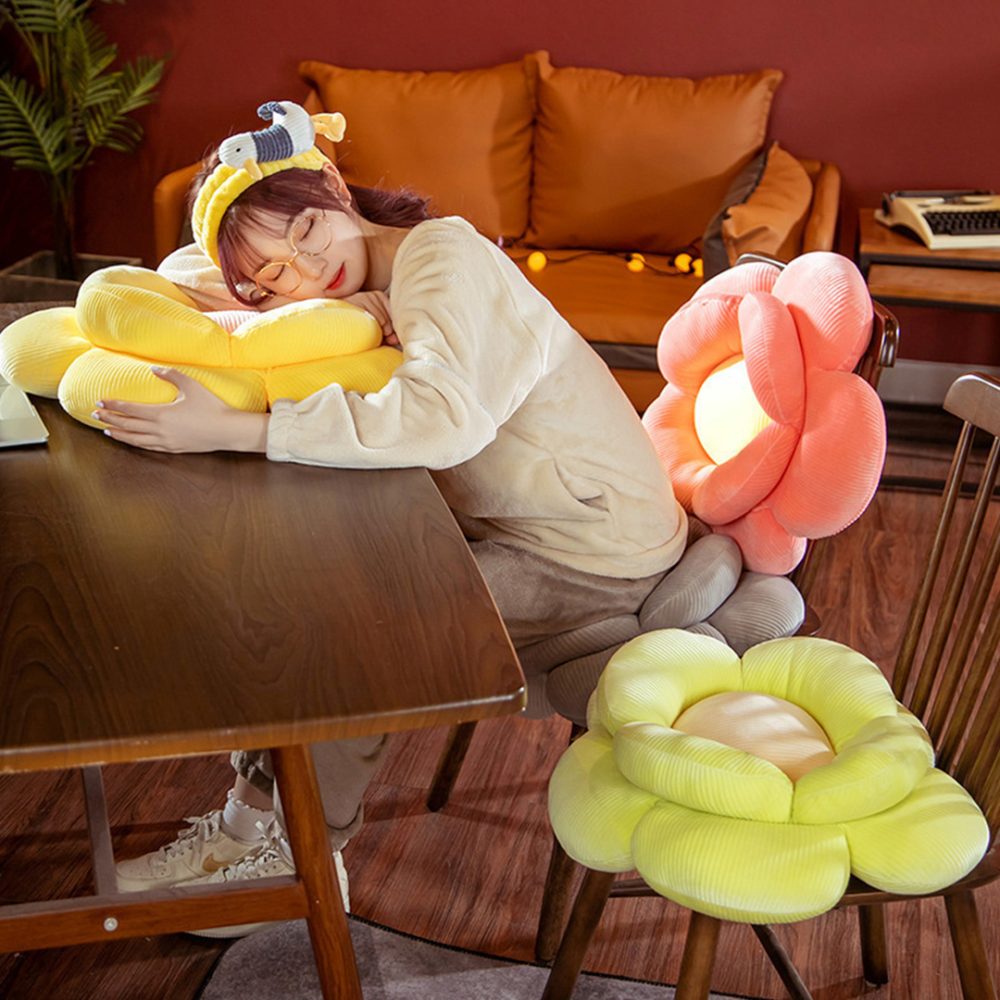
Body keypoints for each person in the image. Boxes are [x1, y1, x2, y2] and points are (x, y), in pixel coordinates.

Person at [98, 100, 688, 932]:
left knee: (358, 627)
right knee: (309, 581)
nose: (307, 267)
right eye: (275, 275)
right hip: (521, 524)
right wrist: (266, 277)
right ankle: (242, 830)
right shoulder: (377, 273)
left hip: (592, 549)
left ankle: (307, 860)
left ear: (334, 184)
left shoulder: (442, 254)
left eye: (307, 228)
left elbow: (444, 420)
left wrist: (234, 429)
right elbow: (181, 274)